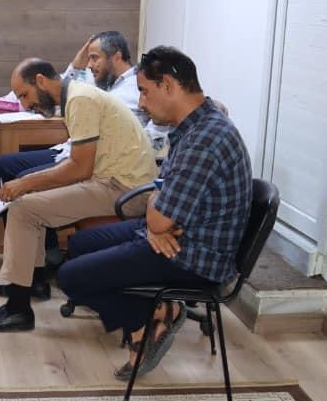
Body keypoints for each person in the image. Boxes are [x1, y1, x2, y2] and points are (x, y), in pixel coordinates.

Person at [56, 46, 252, 379]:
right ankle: (159, 310)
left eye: (145, 91)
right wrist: (155, 223)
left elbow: (160, 214)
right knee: (79, 245)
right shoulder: (196, 125)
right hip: (178, 236)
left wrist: (156, 221)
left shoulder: (204, 140)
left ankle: (147, 323)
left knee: (70, 277)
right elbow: (159, 197)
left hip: (193, 258)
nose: (142, 103)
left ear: (169, 86)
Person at [0, 58, 159, 333]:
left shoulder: (80, 100)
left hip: (125, 189)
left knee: (23, 208)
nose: (25, 104)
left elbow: (80, 168)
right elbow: (80, 165)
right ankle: (31, 282)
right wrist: (28, 184)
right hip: (115, 181)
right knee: (26, 200)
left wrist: (26, 183)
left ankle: (18, 308)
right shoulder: (77, 95)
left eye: (25, 95)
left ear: (41, 81)